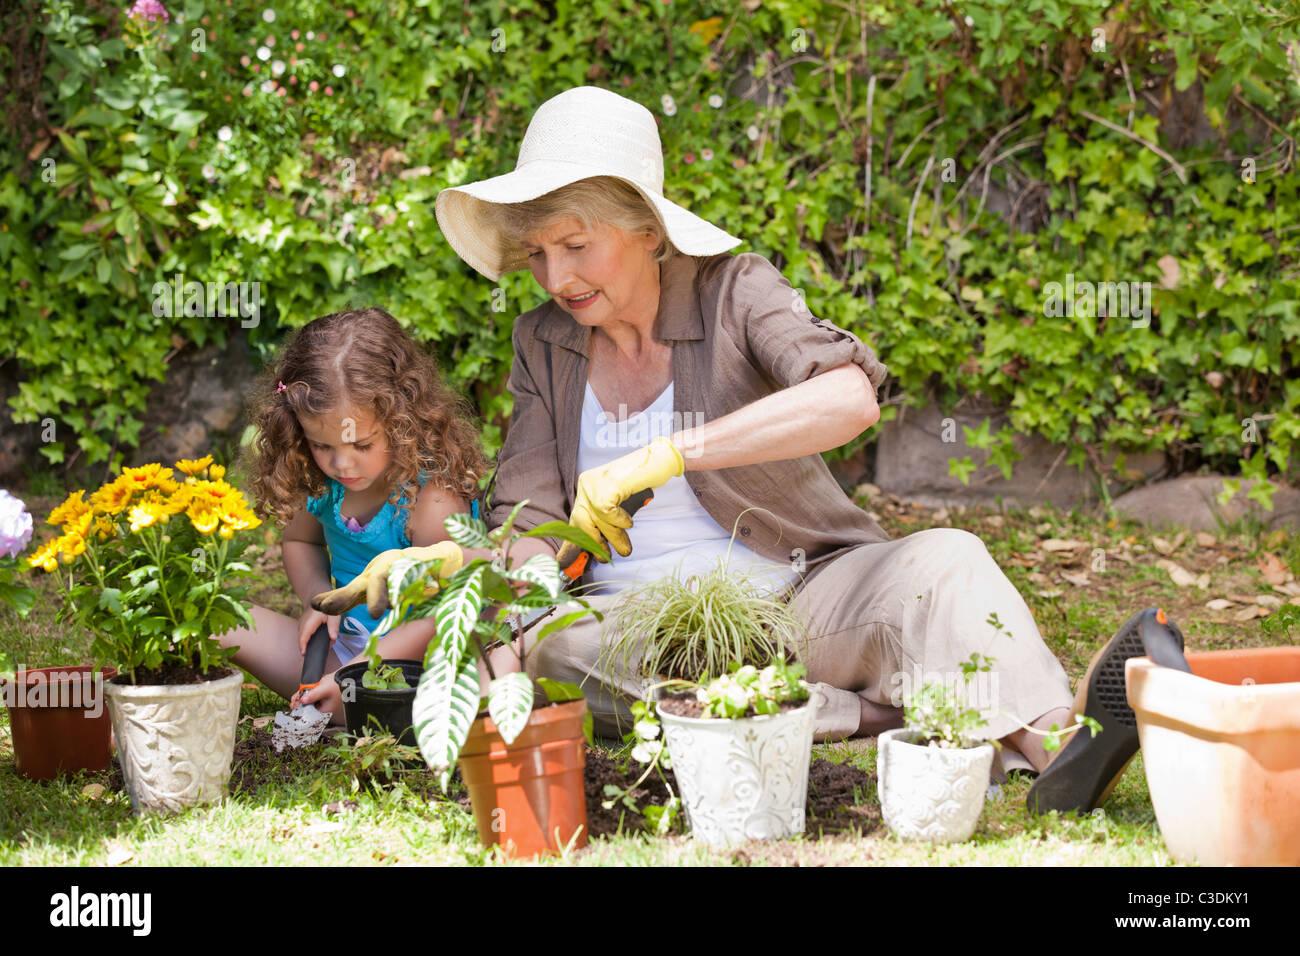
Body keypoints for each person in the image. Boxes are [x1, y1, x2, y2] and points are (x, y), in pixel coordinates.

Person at [348, 86, 1141, 803]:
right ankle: (857, 712)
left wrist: (673, 453)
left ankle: (1057, 751)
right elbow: (528, 516)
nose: (557, 278)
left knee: (948, 562)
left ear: (648, 231)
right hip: (635, 632)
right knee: (552, 649)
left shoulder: (735, 290)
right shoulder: (542, 341)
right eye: (538, 254)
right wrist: (519, 591)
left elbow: (848, 397)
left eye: (576, 245)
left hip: (799, 599)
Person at [220, 307, 486, 722]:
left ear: (401, 419)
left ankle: (340, 708)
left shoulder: (431, 495)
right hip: (338, 657)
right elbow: (300, 541)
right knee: (220, 619)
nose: (342, 465)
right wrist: (317, 603)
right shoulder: (321, 481)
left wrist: (352, 676)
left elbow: (445, 616)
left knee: (369, 700)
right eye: (322, 445)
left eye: (361, 445)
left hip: (414, 672)